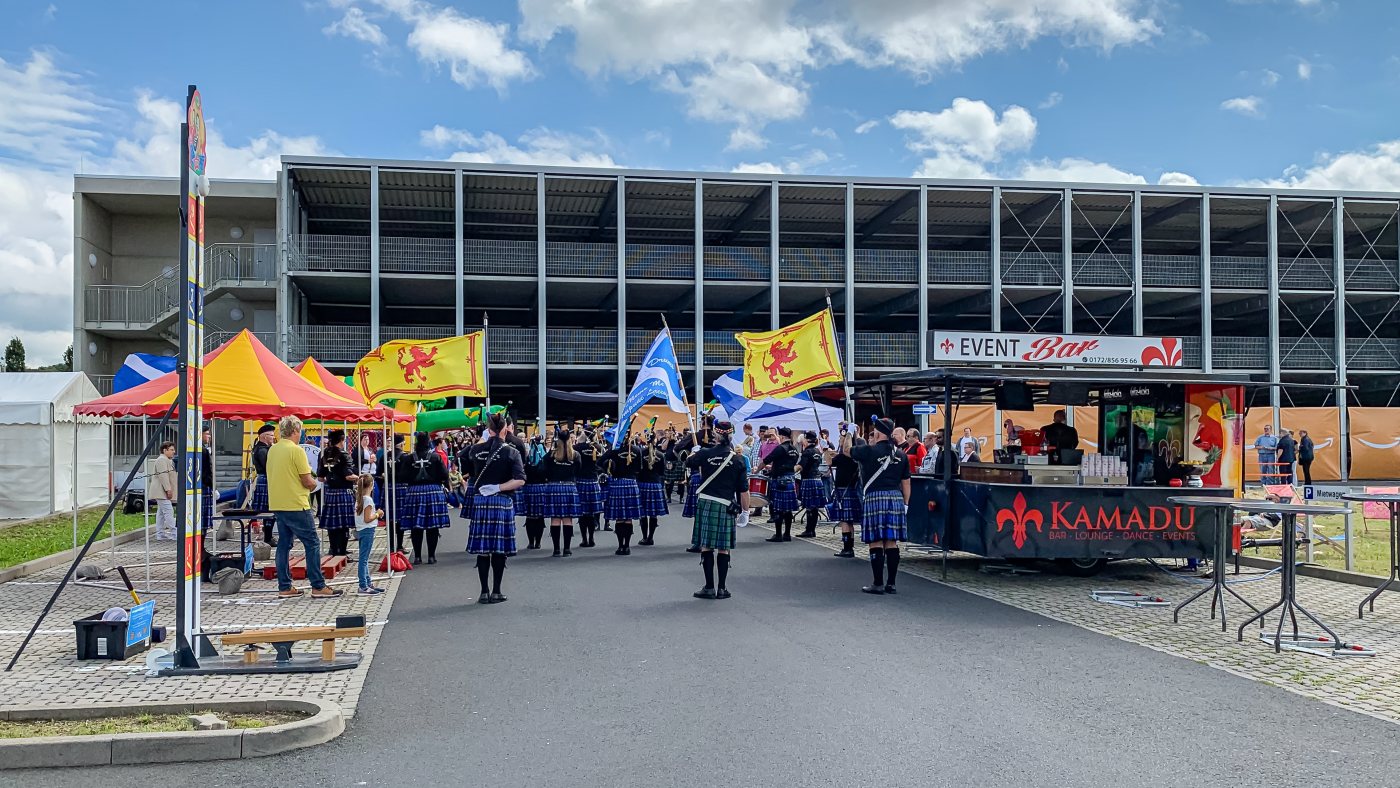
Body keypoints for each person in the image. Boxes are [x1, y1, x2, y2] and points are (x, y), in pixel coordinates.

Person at [269, 415, 341, 599]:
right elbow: (307, 480)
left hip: (278, 502)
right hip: (296, 503)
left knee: (284, 544)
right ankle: (318, 585)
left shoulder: (273, 450)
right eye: (299, 430)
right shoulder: (297, 451)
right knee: (312, 542)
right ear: (295, 431)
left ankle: (284, 586)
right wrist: (315, 483)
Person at [842, 417, 911, 595]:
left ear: (878, 433)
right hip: (895, 497)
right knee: (891, 541)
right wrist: (905, 504)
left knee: (876, 540)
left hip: (875, 497)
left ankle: (878, 583)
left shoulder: (868, 451)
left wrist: (849, 432)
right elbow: (906, 483)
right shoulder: (901, 454)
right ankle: (891, 584)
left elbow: (846, 450)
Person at [466, 413, 527, 604]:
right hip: (501, 501)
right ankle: (496, 591)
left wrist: (483, 439)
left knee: (483, 549)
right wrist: (499, 487)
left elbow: (467, 465)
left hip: (481, 501)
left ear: (488, 429)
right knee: (499, 549)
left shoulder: (475, 450)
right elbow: (520, 480)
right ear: (505, 429)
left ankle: (484, 592)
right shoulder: (511, 452)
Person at [686, 420, 749, 600]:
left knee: (706, 546)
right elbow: (743, 490)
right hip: (727, 505)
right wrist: (745, 512)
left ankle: (709, 587)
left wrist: (695, 452)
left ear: (715, 434)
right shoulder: (738, 459)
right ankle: (722, 588)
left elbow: (687, 463)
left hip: (707, 503)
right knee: (724, 548)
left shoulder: (705, 453)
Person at [397, 432, 451, 565]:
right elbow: (445, 475)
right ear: (428, 442)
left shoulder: (409, 458)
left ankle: (417, 557)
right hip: (433, 492)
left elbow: (401, 477)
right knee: (433, 526)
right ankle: (431, 556)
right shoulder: (435, 457)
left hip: (414, 493)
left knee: (416, 525)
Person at [316, 429, 359, 557]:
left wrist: (331, 478)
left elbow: (320, 478)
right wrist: (360, 477)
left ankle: (334, 551)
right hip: (344, 492)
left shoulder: (324, 454)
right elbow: (348, 476)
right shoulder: (344, 455)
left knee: (332, 525)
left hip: (330, 493)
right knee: (344, 525)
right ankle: (342, 553)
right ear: (342, 440)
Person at [541, 427, 581, 557]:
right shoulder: (575, 455)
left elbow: (543, 469)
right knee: (568, 519)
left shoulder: (551, 455)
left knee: (555, 519)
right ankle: (567, 549)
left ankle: (556, 549)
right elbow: (578, 471)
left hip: (553, 487)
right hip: (569, 487)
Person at [600, 439, 642, 555]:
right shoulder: (636, 450)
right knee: (628, 518)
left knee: (619, 517)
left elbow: (600, 462)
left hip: (617, 483)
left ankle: (620, 546)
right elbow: (639, 468)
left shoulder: (614, 450)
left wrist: (610, 467)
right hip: (631, 483)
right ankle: (627, 547)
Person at [829, 425, 863, 557]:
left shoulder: (843, 456)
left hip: (844, 489)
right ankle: (850, 548)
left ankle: (847, 548)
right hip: (853, 489)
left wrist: (825, 449)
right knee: (849, 521)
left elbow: (829, 462)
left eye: (840, 438)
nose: (839, 440)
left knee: (845, 520)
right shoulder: (856, 455)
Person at [762, 427, 800, 542]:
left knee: (778, 508)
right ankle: (787, 534)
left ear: (782, 436)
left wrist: (757, 470)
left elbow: (766, 460)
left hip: (779, 480)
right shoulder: (794, 449)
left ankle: (778, 535)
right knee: (788, 509)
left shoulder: (780, 448)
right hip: (790, 479)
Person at [354, 475, 384, 595]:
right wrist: (377, 514)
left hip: (361, 529)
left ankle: (368, 583)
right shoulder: (368, 500)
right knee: (364, 559)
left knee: (364, 558)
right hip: (367, 529)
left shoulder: (360, 499)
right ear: (371, 485)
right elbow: (367, 519)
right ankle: (363, 585)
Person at [575, 428, 605, 548]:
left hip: (580, 480)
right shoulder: (598, 447)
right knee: (591, 513)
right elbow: (602, 464)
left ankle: (584, 539)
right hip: (593, 481)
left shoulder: (577, 447)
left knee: (583, 513)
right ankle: (591, 538)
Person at [637, 435, 669, 546]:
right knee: (653, 513)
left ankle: (644, 537)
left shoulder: (641, 453)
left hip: (643, 484)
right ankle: (650, 538)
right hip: (655, 484)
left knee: (643, 513)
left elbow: (638, 469)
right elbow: (662, 472)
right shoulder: (660, 455)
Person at [248, 423, 277, 545]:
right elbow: (269, 466)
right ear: (265, 436)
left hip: (263, 479)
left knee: (268, 510)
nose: (273, 438)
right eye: (271, 435)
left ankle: (268, 536)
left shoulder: (259, 448)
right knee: (269, 510)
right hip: (266, 479)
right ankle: (268, 537)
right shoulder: (262, 450)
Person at [796, 431, 827, 539]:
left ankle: (809, 530)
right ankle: (812, 530)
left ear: (806, 440)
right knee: (814, 508)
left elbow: (801, 466)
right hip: (817, 479)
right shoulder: (817, 451)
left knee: (809, 507)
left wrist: (791, 470)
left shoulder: (807, 452)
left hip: (808, 480)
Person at [520, 435, 548, 550]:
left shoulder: (527, 460)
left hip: (529, 489)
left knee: (530, 516)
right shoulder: (544, 460)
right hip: (541, 489)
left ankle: (531, 542)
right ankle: (538, 542)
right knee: (540, 516)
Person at [151, 441, 177, 540]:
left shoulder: (167, 460)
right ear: (165, 450)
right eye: (171, 450)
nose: (174, 452)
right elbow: (163, 476)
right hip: (161, 491)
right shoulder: (162, 460)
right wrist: (168, 489)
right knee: (168, 511)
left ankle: (160, 533)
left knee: (161, 513)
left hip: (162, 491)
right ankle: (174, 532)